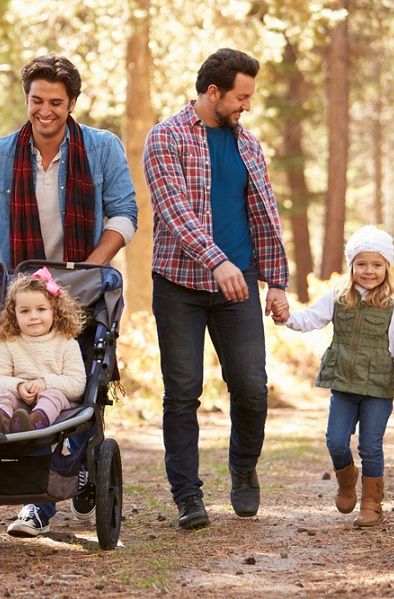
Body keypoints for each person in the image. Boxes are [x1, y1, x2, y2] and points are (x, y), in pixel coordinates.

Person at [0, 54, 138, 536]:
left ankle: (81, 464)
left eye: (56, 102)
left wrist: (89, 270)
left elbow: (123, 215)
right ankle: (39, 501)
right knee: (27, 379)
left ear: (72, 103)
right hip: (25, 293)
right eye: (36, 100)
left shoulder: (101, 148)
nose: (45, 110)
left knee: (80, 379)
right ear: (26, 99)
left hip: (83, 286)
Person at [143, 48, 289, 530]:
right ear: (213, 92)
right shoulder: (164, 138)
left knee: (251, 388)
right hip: (179, 285)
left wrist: (276, 282)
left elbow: (264, 215)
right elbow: (175, 212)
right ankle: (188, 496)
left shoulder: (247, 145)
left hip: (239, 285)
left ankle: (243, 468)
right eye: (241, 96)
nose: (245, 105)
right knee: (182, 392)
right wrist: (216, 261)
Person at [271, 226, 394, 527]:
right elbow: (309, 318)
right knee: (336, 441)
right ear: (352, 266)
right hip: (344, 385)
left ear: (386, 268)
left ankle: (372, 503)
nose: (368, 271)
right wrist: (286, 318)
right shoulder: (338, 298)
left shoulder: (391, 307)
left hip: (377, 388)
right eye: (361, 264)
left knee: (370, 445)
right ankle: (347, 481)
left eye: (376, 264)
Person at [0, 267, 86, 436]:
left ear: (55, 312)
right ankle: (1, 422)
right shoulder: (10, 342)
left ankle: (35, 422)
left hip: (55, 408)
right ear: (13, 314)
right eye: (24, 311)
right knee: (2, 395)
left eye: (41, 309)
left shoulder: (66, 343)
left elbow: (77, 386)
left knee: (53, 395)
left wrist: (44, 383)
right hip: (19, 405)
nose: (33, 316)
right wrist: (18, 386)